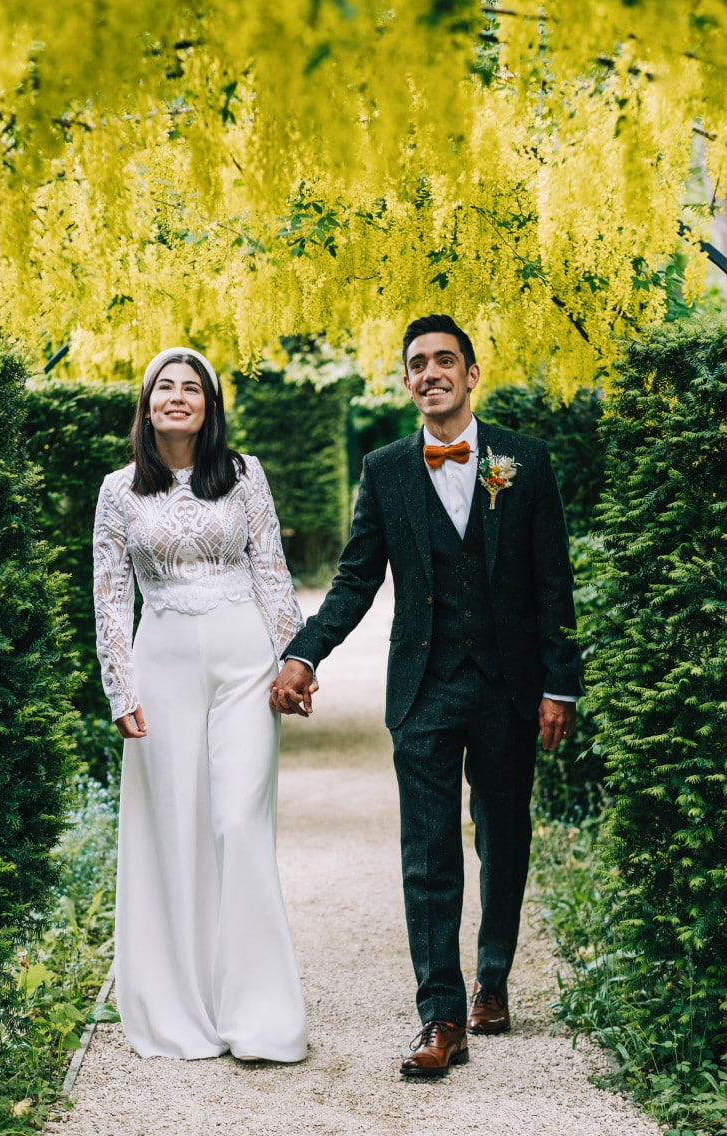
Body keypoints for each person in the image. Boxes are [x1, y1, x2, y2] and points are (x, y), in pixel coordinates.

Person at [270, 315, 582, 1078]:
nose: (431, 372)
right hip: (424, 688)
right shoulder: (384, 470)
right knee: (429, 853)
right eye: (418, 363)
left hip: (510, 688)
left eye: (446, 360)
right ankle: (441, 1016)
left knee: (504, 835)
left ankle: (494, 979)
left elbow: (553, 582)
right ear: (407, 381)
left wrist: (559, 685)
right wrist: (306, 653)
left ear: (472, 375)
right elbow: (355, 578)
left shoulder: (525, 462)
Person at [93, 346, 307, 1063]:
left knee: (238, 820)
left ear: (210, 408)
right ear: (147, 405)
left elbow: (272, 570)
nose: (178, 396)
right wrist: (120, 687)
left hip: (245, 660)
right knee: (175, 831)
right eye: (165, 387)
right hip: (162, 668)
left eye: (192, 388)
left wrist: (296, 662)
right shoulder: (118, 491)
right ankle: (183, 1005)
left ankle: (261, 1016)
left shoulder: (244, 475)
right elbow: (111, 598)